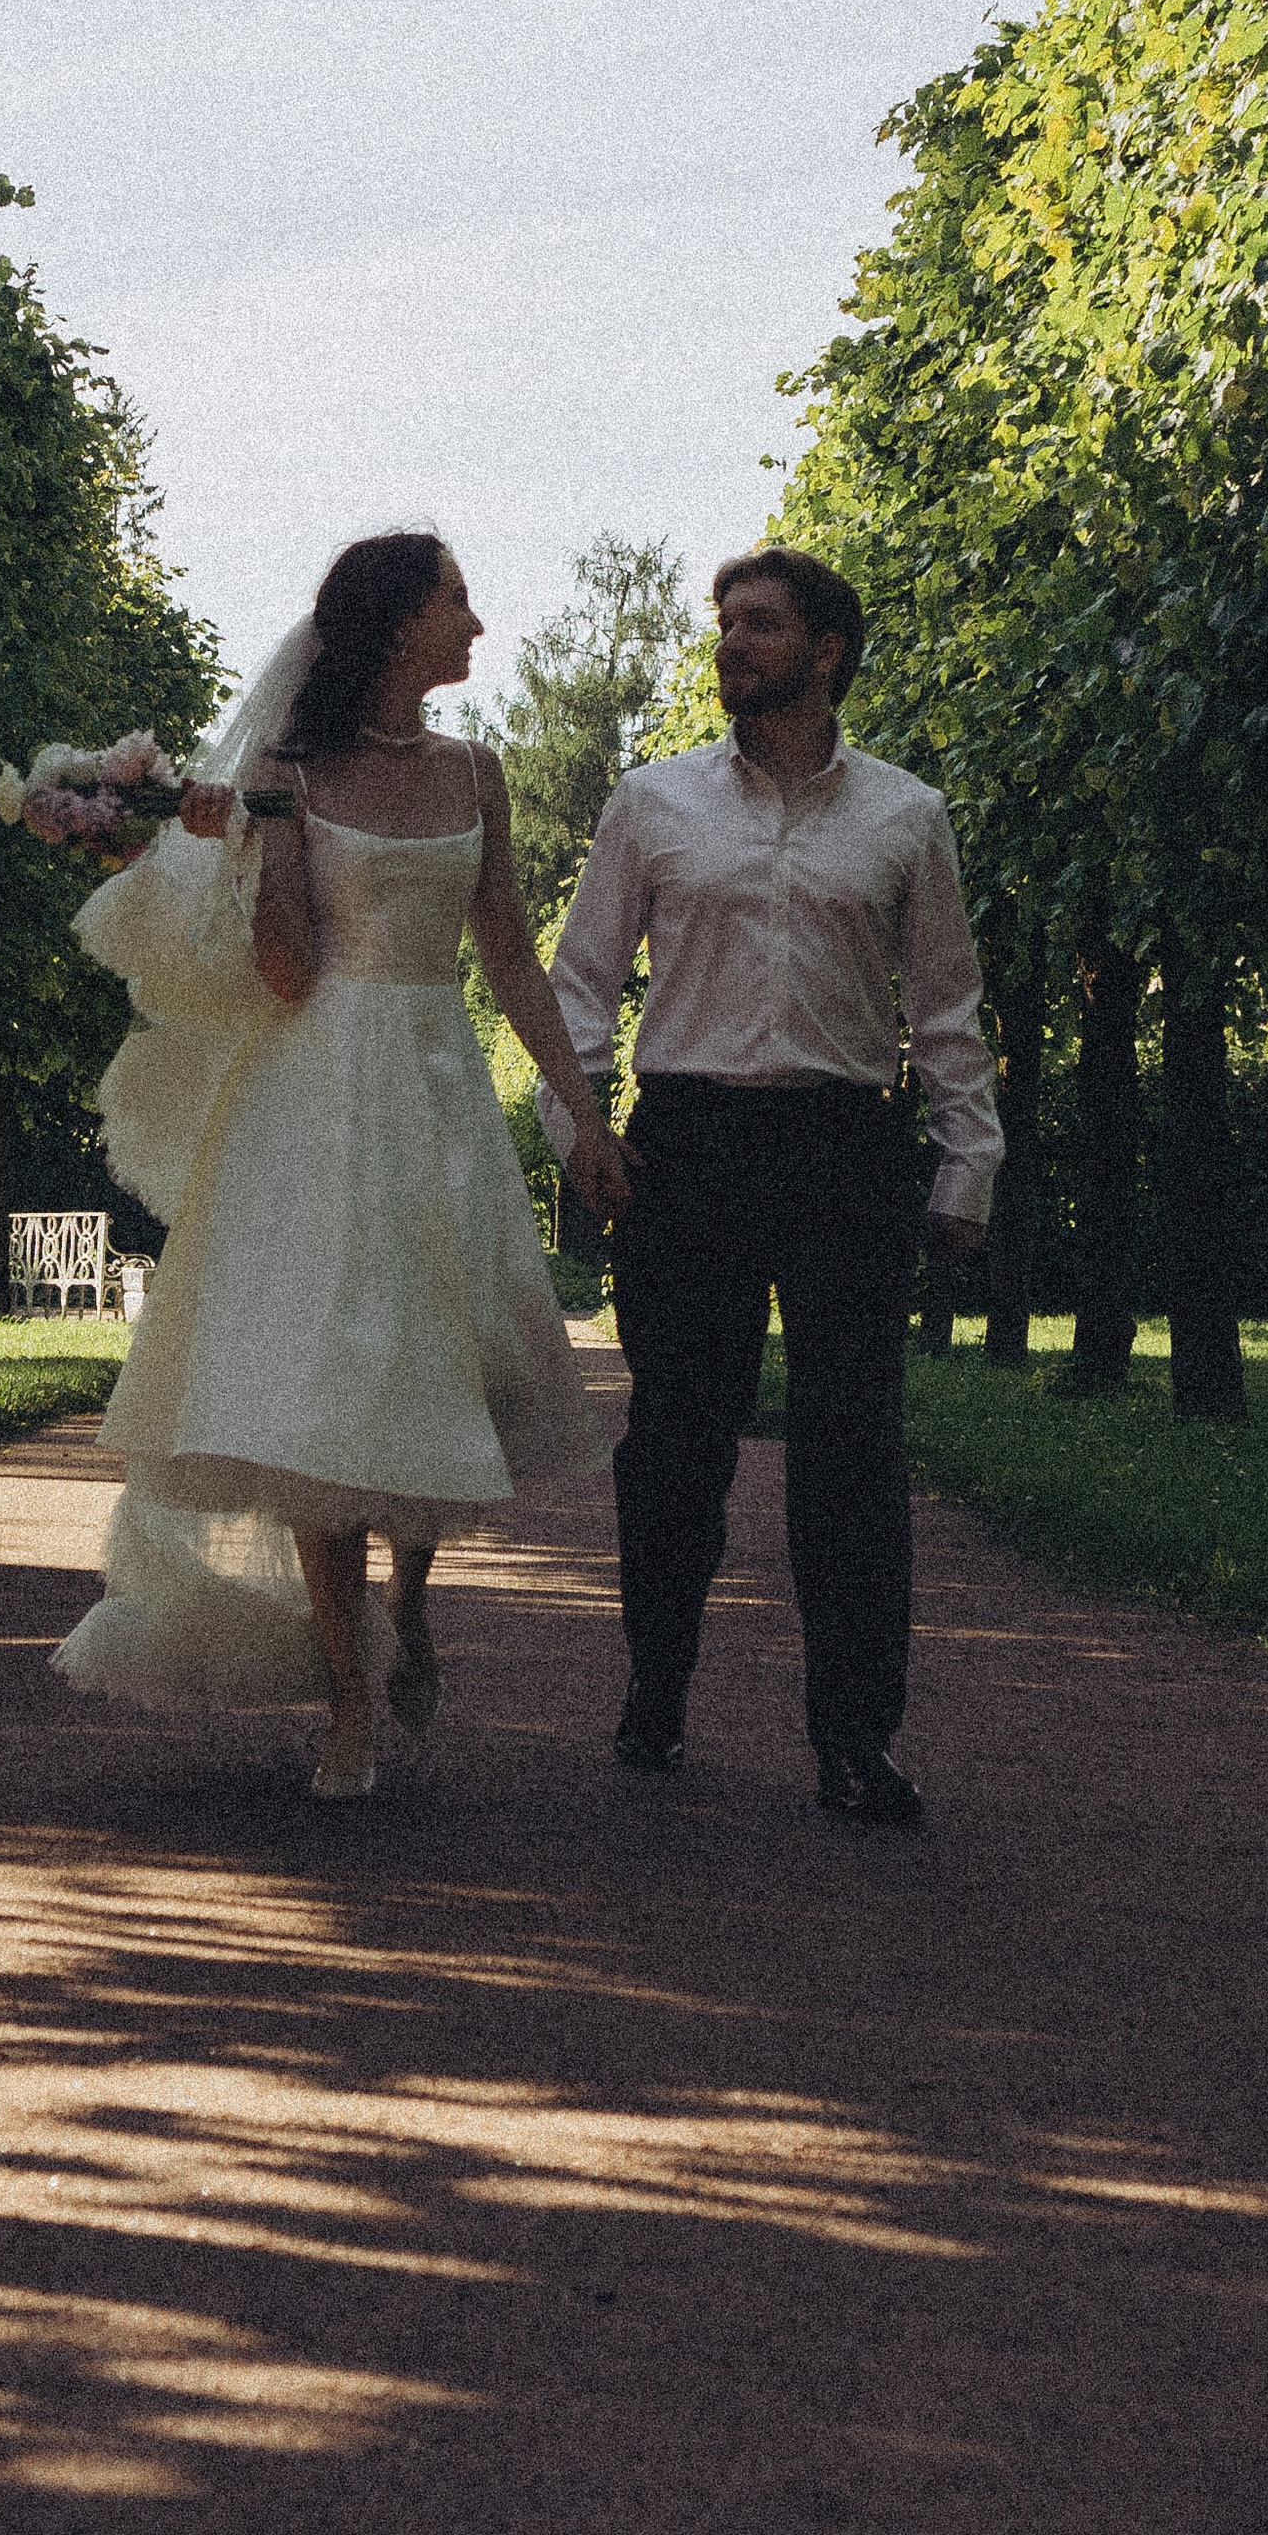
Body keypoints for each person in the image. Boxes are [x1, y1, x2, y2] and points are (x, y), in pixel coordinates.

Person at [35, 532, 631, 1801]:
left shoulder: (479, 771)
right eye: (456, 602)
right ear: (397, 624)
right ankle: (349, 1697)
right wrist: (249, 858)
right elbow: (292, 974)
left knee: (437, 1359)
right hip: (315, 1094)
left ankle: (405, 1605)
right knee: (321, 1380)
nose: (476, 623)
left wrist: (581, 1111)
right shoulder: (288, 775)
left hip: (437, 1087)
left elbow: (513, 956)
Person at [541, 545, 1002, 1827]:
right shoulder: (651, 803)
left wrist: (969, 1163)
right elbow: (579, 983)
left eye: (760, 624)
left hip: (846, 1149)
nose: (732, 643)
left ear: (828, 650)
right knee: (675, 1444)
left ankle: (855, 1736)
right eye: (725, 623)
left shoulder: (907, 815)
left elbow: (946, 1008)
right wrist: (581, 1126)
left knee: (852, 1453)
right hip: (685, 1146)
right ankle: (657, 1689)